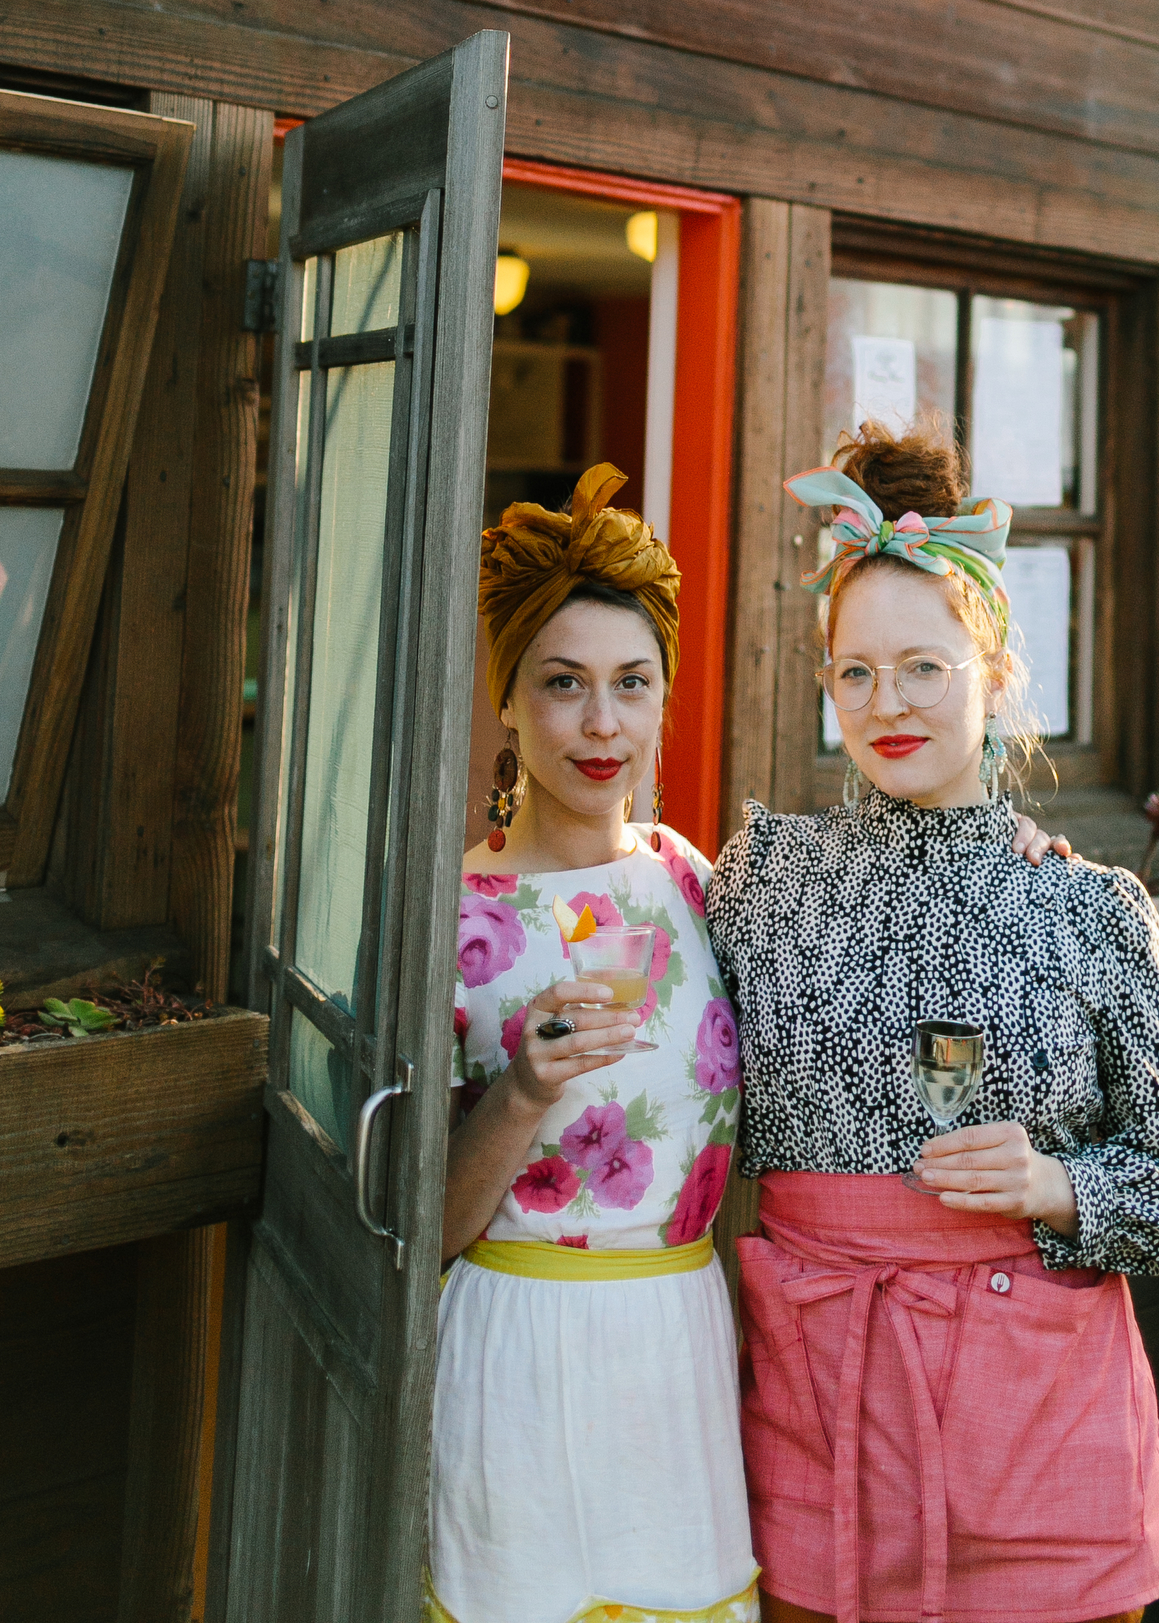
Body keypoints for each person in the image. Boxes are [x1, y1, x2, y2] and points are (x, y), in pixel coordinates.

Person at [707, 419, 1159, 1623]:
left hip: (1041, 1438)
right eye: (853, 672)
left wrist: (1054, 1186)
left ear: (991, 672)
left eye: (923, 666)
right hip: (819, 1417)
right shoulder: (758, 882)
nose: (886, 703)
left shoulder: (1087, 908)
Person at [429, 461, 757, 1623]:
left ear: (665, 695)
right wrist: (518, 1092)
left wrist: (1016, 845)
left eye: (631, 682)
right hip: (514, 1346)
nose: (600, 722)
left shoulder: (694, 884)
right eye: (562, 684)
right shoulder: (447, 918)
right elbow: (424, 1230)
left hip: (675, 1346)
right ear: (507, 701)